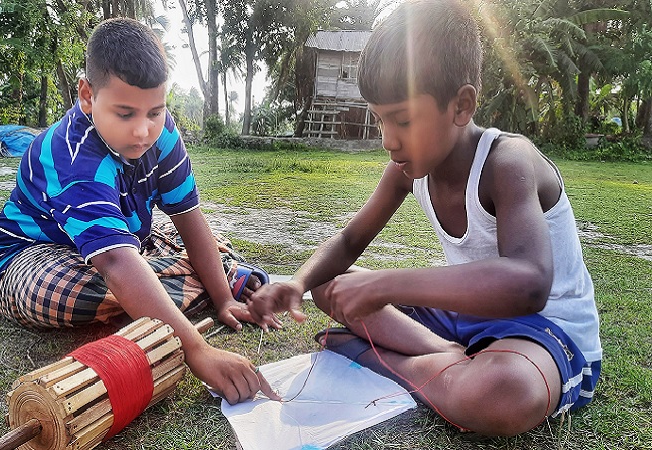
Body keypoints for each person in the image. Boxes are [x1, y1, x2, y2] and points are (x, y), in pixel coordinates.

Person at [248, 0, 601, 435]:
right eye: (380, 120)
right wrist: (298, 283)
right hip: (464, 319)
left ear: (461, 105)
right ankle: (444, 356)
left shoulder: (507, 161)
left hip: (547, 334)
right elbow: (347, 243)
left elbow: (528, 283)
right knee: (330, 282)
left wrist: (384, 283)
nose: (387, 140)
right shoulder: (406, 170)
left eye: (403, 120)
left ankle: (379, 359)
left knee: (502, 393)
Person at [0, 17, 280, 405]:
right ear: (88, 95)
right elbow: (117, 264)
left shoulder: (164, 135)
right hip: (34, 259)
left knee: (195, 242)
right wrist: (197, 349)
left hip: (128, 249)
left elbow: (189, 219)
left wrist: (224, 301)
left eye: (155, 112)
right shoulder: (69, 153)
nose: (143, 130)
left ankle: (186, 290)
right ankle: (203, 279)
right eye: (126, 114)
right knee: (59, 295)